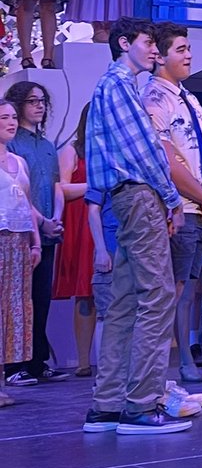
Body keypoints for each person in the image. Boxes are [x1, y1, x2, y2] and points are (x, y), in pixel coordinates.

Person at [81, 17, 190, 435]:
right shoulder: (118, 86)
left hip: (124, 197)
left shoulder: (111, 88)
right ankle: (140, 405)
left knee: (126, 300)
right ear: (125, 43)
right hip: (139, 193)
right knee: (159, 294)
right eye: (147, 43)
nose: (154, 51)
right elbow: (144, 150)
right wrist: (172, 197)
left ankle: (107, 405)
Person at [142, 23, 202, 384]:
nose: (189, 55)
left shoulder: (188, 98)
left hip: (201, 208)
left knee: (190, 290)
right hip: (179, 209)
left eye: (190, 49)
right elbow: (167, 158)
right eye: (181, 50)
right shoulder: (154, 98)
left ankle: (184, 362)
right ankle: (163, 371)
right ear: (160, 56)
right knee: (171, 292)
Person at [3, 82, 67, 387]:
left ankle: (38, 359)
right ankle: (17, 364)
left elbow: (56, 186)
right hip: (20, 231)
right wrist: (40, 223)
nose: (39, 106)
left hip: (44, 231)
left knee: (41, 298)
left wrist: (55, 219)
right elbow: (20, 196)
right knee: (17, 298)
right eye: (32, 101)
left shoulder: (48, 146)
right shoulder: (14, 145)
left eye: (42, 101)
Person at [51, 104, 98, 378]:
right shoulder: (73, 149)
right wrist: (95, 186)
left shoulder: (112, 149)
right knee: (85, 293)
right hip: (81, 224)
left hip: (105, 220)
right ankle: (82, 360)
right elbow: (62, 188)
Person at [0, 99, 41, 409]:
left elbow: (27, 206)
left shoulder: (19, 161)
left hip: (18, 241)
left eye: (13, 117)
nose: (11, 122)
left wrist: (36, 241)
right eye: (4, 118)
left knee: (14, 307)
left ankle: (5, 376)